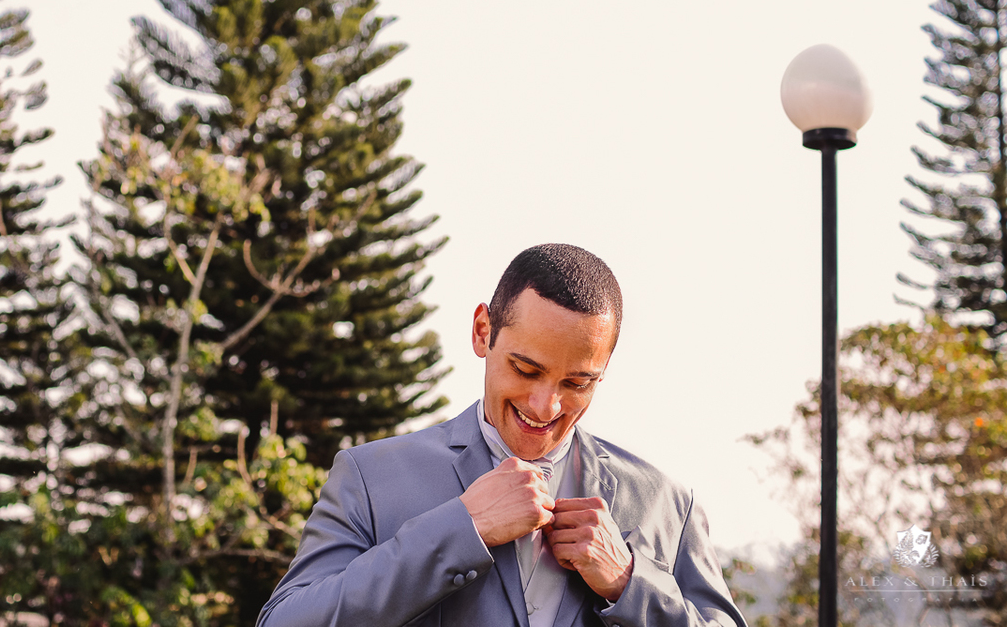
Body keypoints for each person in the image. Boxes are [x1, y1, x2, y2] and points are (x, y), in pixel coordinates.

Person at [257, 244, 746, 627]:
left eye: (577, 383)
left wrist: (629, 583)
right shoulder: (369, 477)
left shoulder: (669, 506)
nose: (545, 406)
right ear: (482, 331)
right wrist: (459, 529)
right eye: (525, 369)